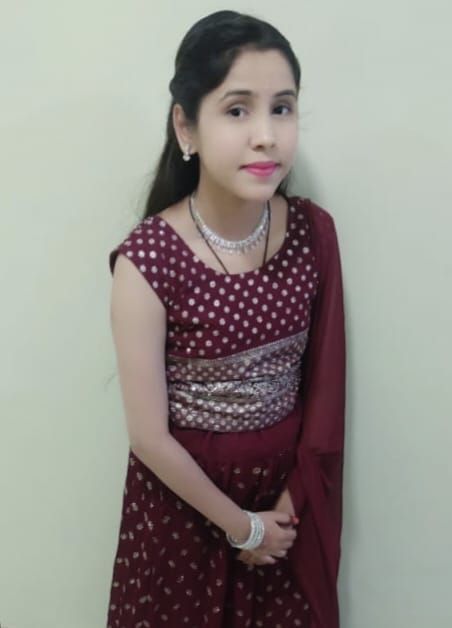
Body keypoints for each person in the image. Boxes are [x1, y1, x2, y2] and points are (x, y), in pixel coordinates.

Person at [106, 10, 345, 628]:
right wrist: (245, 528)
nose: (266, 135)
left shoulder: (312, 232)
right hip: (185, 516)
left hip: (289, 514)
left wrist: (288, 509)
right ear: (185, 126)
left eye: (282, 108)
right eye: (237, 110)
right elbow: (148, 438)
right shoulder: (148, 261)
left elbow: (325, 386)